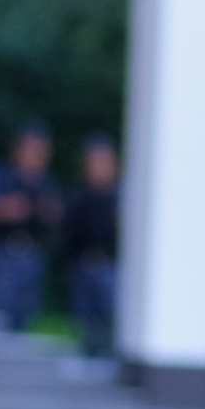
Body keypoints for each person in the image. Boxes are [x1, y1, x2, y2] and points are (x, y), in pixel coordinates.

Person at [0, 125, 61, 332]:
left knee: (26, 316)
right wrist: (2, 207)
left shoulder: (45, 181)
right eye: (33, 149)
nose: (37, 156)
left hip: (32, 254)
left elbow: (57, 212)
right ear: (18, 149)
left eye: (42, 151)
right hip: (3, 253)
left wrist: (49, 212)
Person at [61, 135, 122, 357]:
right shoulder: (78, 195)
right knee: (85, 323)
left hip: (111, 266)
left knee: (111, 319)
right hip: (83, 267)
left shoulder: (122, 197)